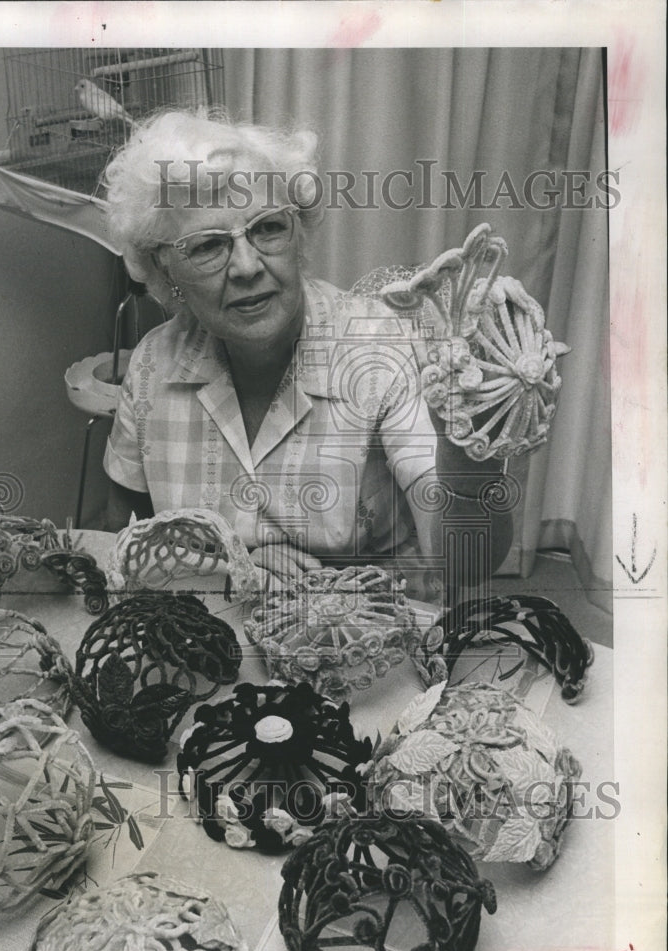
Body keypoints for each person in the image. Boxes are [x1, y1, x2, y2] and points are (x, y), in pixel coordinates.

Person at [102, 108, 512, 599]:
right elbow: (125, 543)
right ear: (163, 271)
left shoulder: (380, 347)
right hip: (214, 643)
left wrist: (470, 459)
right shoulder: (152, 364)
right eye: (208, 246)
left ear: (299, 235)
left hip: (374, 644)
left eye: (269, 228)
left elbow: (463, 564)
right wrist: (232, 565)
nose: (248, 266)